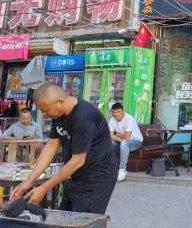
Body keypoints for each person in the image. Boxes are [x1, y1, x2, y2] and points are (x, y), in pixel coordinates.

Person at [10, 83, 118, 214]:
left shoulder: (84, 118)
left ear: (60, 102)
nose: (44, 114)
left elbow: (77, 161)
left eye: (45, 110)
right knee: (64, 218)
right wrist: (29, 182)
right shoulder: (58, 114)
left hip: (97, 177)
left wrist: (43, 188)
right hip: (75, 175)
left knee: (83, 222)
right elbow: (51, 147)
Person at [108, 102, 144, 181]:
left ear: (122, 111)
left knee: (124, 143)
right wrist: (119, 138)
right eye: (113, 112)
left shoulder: (129, 119)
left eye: (118, 111)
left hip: (136, 142)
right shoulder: (112, 120)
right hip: (122, 142)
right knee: (109, 143)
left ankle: (122, 169)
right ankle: (108, 167)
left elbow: (127, 136)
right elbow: (110, 135)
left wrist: (118, 135)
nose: (116, 114)